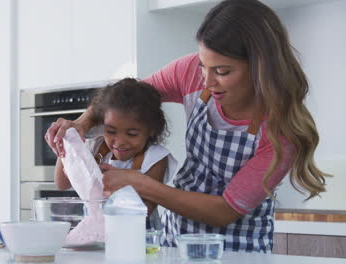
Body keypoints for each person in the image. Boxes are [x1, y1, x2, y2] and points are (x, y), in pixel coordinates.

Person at [45, 0, 329, 253]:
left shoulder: (282, 132)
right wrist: (81, 123)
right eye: (203, 66)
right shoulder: (191, 72)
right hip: (177, 240)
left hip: (241, 249)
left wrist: (140, 183)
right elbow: (122, 99)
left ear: (260, 67)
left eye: (222, 71)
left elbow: (225, 211)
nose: (206, 81)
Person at [54, 78, 177, 229]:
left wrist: (123, 182)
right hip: (96, 236)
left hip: (140, 240)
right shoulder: (95, 148)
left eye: (132, 134)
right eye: (111, 131)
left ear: (151, 130)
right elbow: (62, 183)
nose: (119, 142)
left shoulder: (155, 158)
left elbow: (146, 209)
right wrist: (68, 142)